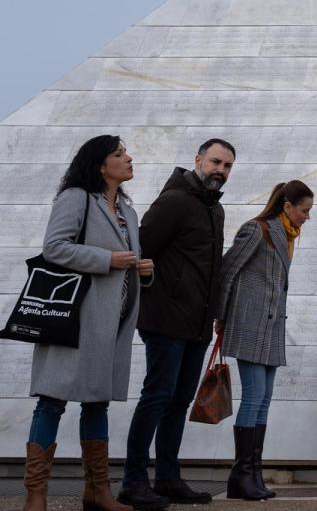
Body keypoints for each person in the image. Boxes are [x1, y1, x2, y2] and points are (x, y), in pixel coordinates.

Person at [21, 135, 152, 511]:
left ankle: (98, 490)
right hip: (73, 319)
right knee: (51, 402)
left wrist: (143, 269)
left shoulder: (128, 211)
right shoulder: (76, 197)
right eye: (119, 154)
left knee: (97, 403)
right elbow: (55, 247)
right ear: (100, 164)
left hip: (112, 324)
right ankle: (36, 494)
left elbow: (126, 262)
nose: (129, 158)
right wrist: (107, 259)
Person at [119, 139, 235, 510]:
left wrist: (216, 313)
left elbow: (211, 270)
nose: (221, 170)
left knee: (179, 400)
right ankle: (133, 481)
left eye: (228, 166)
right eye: (216, 161)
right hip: (166, 319)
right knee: (157, 397)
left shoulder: (214, 209)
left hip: (197, 324)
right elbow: (141, 250)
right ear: (198, 159)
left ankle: (168, 477)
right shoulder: (174, 201)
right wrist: (159, 294)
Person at [217, 181, 314, 500]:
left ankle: (252, 473)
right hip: (249, 324)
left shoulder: (287, 236)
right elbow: (228, 271)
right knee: (254, 395)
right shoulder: (256, 230)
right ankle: (241, 475)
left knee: (265, 398)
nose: (307, 217)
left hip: (271, 329)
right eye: (304, 210)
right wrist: (220, 317)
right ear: (287, 207)